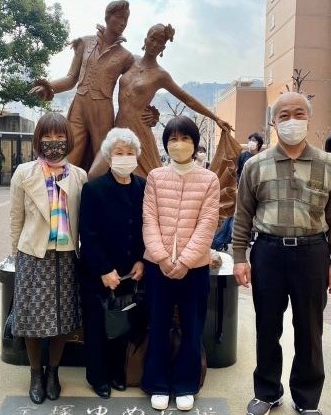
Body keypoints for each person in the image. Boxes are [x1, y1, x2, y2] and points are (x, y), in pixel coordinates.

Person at [232, 92, 331, 415]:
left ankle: (307, 398)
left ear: (308, 119)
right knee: (267, 326)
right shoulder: (255, 165)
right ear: (273, 122)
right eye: (284, 115)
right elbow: (242, 216)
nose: (291, 121)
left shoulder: (327, 164)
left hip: (313, 253)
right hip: (268, 252)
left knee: (310, 329)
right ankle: (267, 392)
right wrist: (239, 257)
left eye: (299, 114)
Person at [141, 116, 220, 411]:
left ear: (195, 143)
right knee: (158, 324)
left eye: (185, 138)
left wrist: (185, 261)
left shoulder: (209, 180)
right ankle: (158, 383)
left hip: (194, 268)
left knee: (192, 325)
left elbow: (207, 223)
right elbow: (149, 219)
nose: (179, 144)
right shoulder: (155, 177)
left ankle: (186, 383)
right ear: (166, 144)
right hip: (157, 266)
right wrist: (162, 257)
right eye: (173, 139)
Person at [10, 112, 88, 404]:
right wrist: (16, 256)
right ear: (38, 139)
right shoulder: (24, 173)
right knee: (32, 318)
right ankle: (35, 373)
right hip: (33, 254)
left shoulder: (79, 176)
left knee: (62, 318)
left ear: (68, 139)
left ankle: (53, 372)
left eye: (59, 136)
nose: (53, 142)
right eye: (47, 136)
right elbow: (16, 218)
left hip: (67, 255)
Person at [79, 127, 146, 399]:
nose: (125, 157)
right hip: (99, 271)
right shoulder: (93, 189)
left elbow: (146, 227)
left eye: (130, 152)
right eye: (119, 152)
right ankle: (98, 377)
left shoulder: (143, 187)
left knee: (123, 322)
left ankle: (119, 372)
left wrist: (141, 260)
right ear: (109, 156)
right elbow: (88, 235)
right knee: (97, 325)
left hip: (131, 272)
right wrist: (104, 270)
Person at [114, 23, 232, 178]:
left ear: (163, 48)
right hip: (118, 126)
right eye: (152, 39)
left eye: (159, 42)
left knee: (145, 179)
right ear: (145, 39)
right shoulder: (130, 61)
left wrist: (215, 118)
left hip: (139, 131)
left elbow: (187, 99)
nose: (154, 44)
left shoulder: (160, 75)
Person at [30, 1, 134, 176]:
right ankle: (60, 189)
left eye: (126, 19)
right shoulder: (85, 42)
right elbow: (71, 78)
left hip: (102, 111)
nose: (123, 23)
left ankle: (96, 192)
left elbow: (135, 86)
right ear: (108, 17)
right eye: (119, 17)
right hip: (79, 105)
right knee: (69, 154)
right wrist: (48, 87)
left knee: (103, 158)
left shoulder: (126, 57)